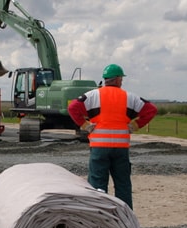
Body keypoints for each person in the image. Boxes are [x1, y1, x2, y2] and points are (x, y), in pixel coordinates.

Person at [68, 64, 158, 209]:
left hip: (99, 148)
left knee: (97, 185)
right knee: (123, 185)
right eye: (121, 78)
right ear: (117, 79)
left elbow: (72, 107)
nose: (121, 81)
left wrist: (84, 125)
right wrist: (135, 125)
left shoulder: (93, 95)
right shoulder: (130, 97)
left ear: (106, 80)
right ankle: (126, 220)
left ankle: (98, 219)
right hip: (120, 148)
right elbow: (151, 110)